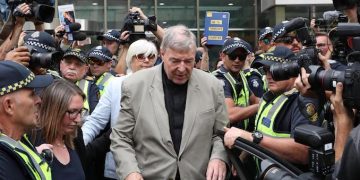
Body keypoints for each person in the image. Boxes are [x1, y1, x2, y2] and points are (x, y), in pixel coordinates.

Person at [110, 25, 228, 180]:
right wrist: (130, 172)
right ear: (162, 53)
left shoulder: (212, 86)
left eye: (188, 61)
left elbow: (221, 133)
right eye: (175, 61)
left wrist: (219, 157)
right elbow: (121, 137)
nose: (182, 68)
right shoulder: (135, 86)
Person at [224, 46, 321, 169]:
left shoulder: (301, 101)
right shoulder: (269, 96)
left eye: (275, 70)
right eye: (266, 70)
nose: (269, 75)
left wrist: (250, 138)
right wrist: (245, 153)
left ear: (291, 70)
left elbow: (303, 152)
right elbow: (262, 133)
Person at [82, 39, 158, 179]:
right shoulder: (116, 85)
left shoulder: (163, 87)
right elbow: (96, 121)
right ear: (130, 59)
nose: (146, 60)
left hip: (156, 166)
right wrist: (78, 145)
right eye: (140, 56)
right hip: (120, 165)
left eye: (151, 56)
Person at [0, 60, 53, 179]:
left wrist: (34, 154)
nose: (39, 100)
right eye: (32, 94)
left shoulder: (17, 139)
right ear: (9, 105)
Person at [34, 79, 86, 180]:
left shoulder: (76, 136)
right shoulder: (31, 141)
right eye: (72, 112)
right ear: (53, 110)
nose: (78, 119)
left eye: (80, 111)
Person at [212, 37, 259, 130]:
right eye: (233, 56)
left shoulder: (241, 75)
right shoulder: (219, 79)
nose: (237, 60)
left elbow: (254, 100)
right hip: (222, 139)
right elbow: (230, 115)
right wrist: (261, 106)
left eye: (241, 56)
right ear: (222, 56)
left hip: (238, 137)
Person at [59, 48, 99, 114]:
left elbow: (95, 117)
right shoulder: (50, 81)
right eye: (68, 62)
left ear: (86, 69)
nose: (72, 67)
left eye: (78, 64)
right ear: (61, 65)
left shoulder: (91, 88)